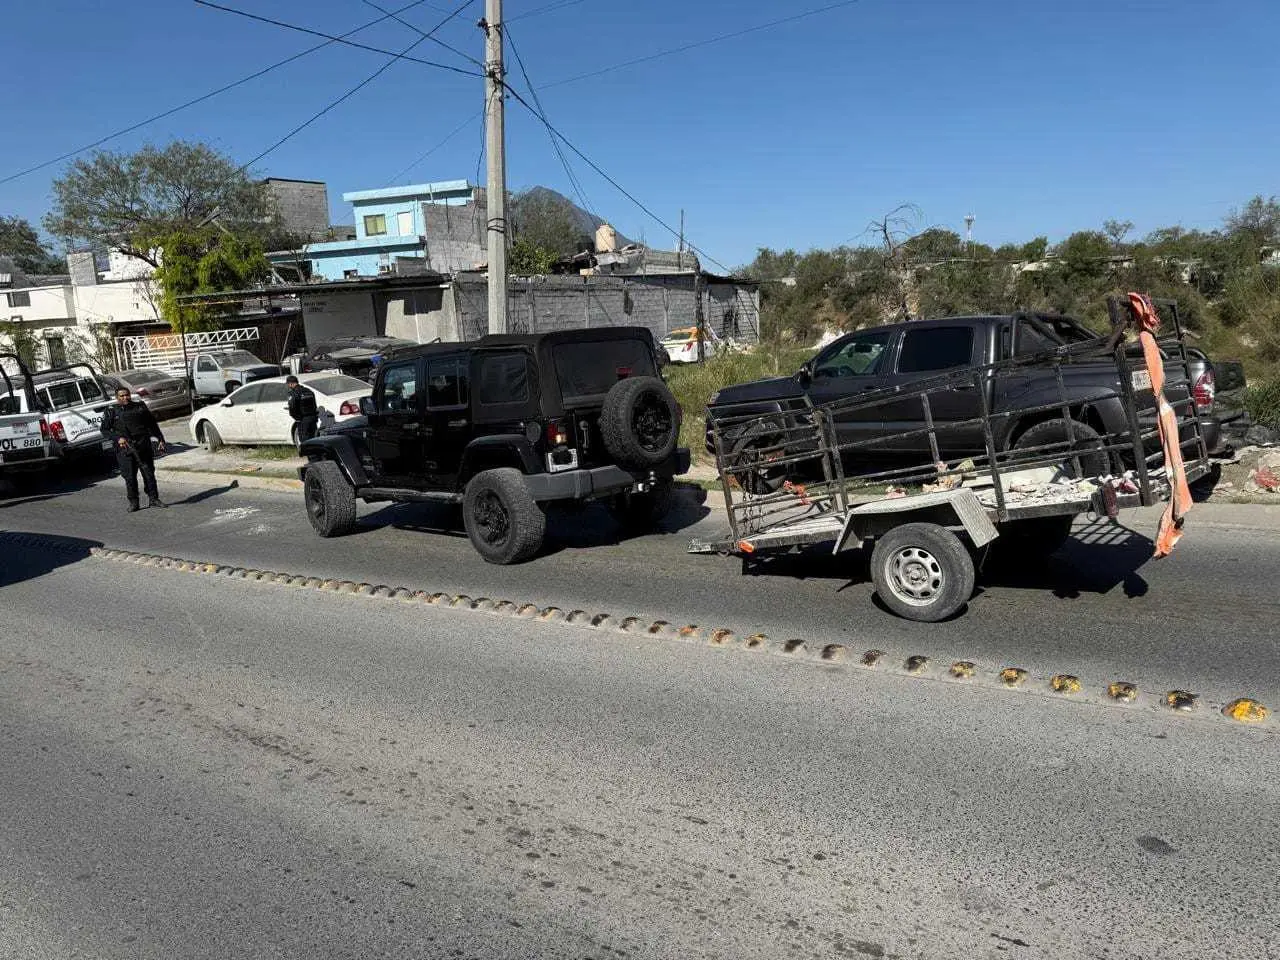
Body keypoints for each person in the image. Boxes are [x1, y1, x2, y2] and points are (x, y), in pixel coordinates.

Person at [100, 386, 166, 512]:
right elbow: (104, 430)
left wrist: (160, 439)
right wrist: (117, 438)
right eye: (122, 396)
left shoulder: (140, 407)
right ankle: (134, 502)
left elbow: (151, 424)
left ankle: (154, 499)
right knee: (130, 477)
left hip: (143, 446)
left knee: (149, 474)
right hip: (125, 449)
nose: (125, 398)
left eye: (127, 395)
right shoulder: (111, 411)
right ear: (117, 397)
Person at [286, 375, 319, 447]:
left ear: (291, 384)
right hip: (313, 418)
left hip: (303, 419)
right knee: (315, 438)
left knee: (305, 439)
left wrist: (297, 418)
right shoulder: (309, 391)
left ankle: (311, 456)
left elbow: (292, 407)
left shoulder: (293, 393)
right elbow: (314, 405)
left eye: (288, 384)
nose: (288, 386)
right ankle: (317, 455)